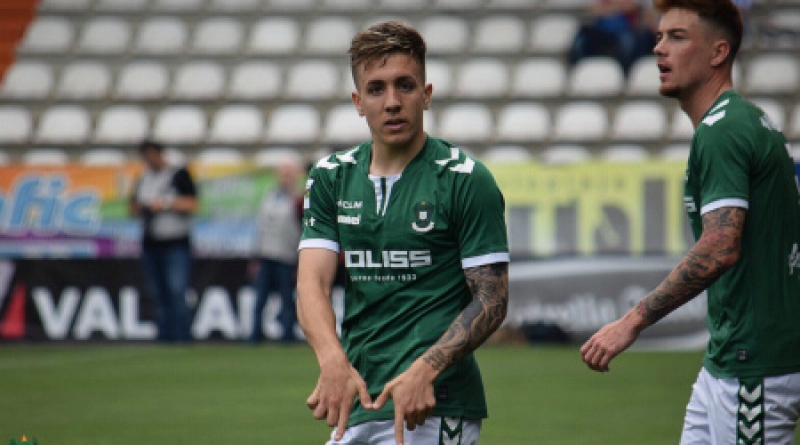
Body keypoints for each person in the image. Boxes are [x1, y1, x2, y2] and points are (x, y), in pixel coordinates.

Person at [581, 1, 800, 444]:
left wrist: (632, 321)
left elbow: (720, 246)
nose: (659, 48)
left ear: (719, 52)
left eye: (677, 37)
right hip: (727, 359)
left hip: (754, 364)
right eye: (660, 36)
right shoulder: (739, 121)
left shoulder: (724, 129)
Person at [296, 21, 510, 445]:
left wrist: (427, 369)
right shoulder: (330, 176)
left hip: (434, 405)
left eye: (405, 86)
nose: (392, 102)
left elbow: (492, 299)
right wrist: (331, 360)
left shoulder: (466, 179)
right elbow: (311, 284)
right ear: (358, 102)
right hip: (359, 402)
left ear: (426, 95)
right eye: (376, 89)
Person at [129, 140, 198, 343]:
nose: (149, 160)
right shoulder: (143, 178)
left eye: (152, 155)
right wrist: (144, 208)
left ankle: (182, 336)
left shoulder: (178, 175)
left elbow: (192, 204)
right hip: (151, 243)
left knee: (177, 290)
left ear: (160, 154)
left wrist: (165, 204)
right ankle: (164, 337)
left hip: (176, 242)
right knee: (158, 293)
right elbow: (132, 207)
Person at [249, 158, 304, 343]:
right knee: (260, 298)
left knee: (287, 298)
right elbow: (261, 227)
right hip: (266, 254)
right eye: (282, 174)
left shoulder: (299, 199)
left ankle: (287, 336)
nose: (285, 178)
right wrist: (255, 256)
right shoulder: (269, 196)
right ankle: (254, 336)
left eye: (288, 175)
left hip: (287, 255)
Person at [570, 0, 657, 74]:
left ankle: (625, 73)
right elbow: (594, 9)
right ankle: (577, 71)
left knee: (627, 42)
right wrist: (618, 7)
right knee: (581, 39)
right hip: (601, 31)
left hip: (625, 30)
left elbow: (632, 7)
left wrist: (611, 7)